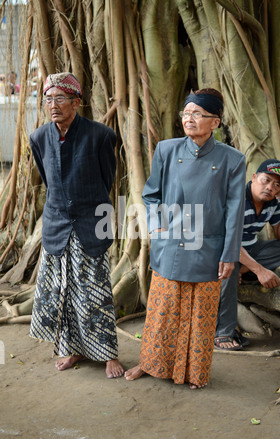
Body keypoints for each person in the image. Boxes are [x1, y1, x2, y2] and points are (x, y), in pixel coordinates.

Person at [125, 88, 246, 389]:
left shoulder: (233, 160)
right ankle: (150, 363)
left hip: (208, 247)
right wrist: (155, 228)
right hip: (171, 244)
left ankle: (193, 372)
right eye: (186, 113)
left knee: (200, 316)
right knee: (162, 310)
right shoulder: (167, 149)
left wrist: (229, 255)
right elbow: (151, 194)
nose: (189, 119)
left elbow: (234, 212)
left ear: (215, 122)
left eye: (197, 114)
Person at [29, 72, 124, 378]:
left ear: (76, 102)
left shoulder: (101, 135)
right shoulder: (39, 137)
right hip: (57, 224)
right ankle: (73, 350)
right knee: (63, 291)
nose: (53, 105)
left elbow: (107, 179)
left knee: (96, 290)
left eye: (60, 98)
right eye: (48, 99)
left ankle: (108, 354)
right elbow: (47, 180)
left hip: (93, 222)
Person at [215, 159, 280, 350]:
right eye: (266, 180)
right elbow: (230, 241)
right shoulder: (236, 198)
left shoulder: (273, 203)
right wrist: (260, 270)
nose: (270, 187)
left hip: (251, 250)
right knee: (229, 270)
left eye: (277, 184)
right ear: (254, 177)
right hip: (225, 250)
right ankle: (223, 332)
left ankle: (242, 271)